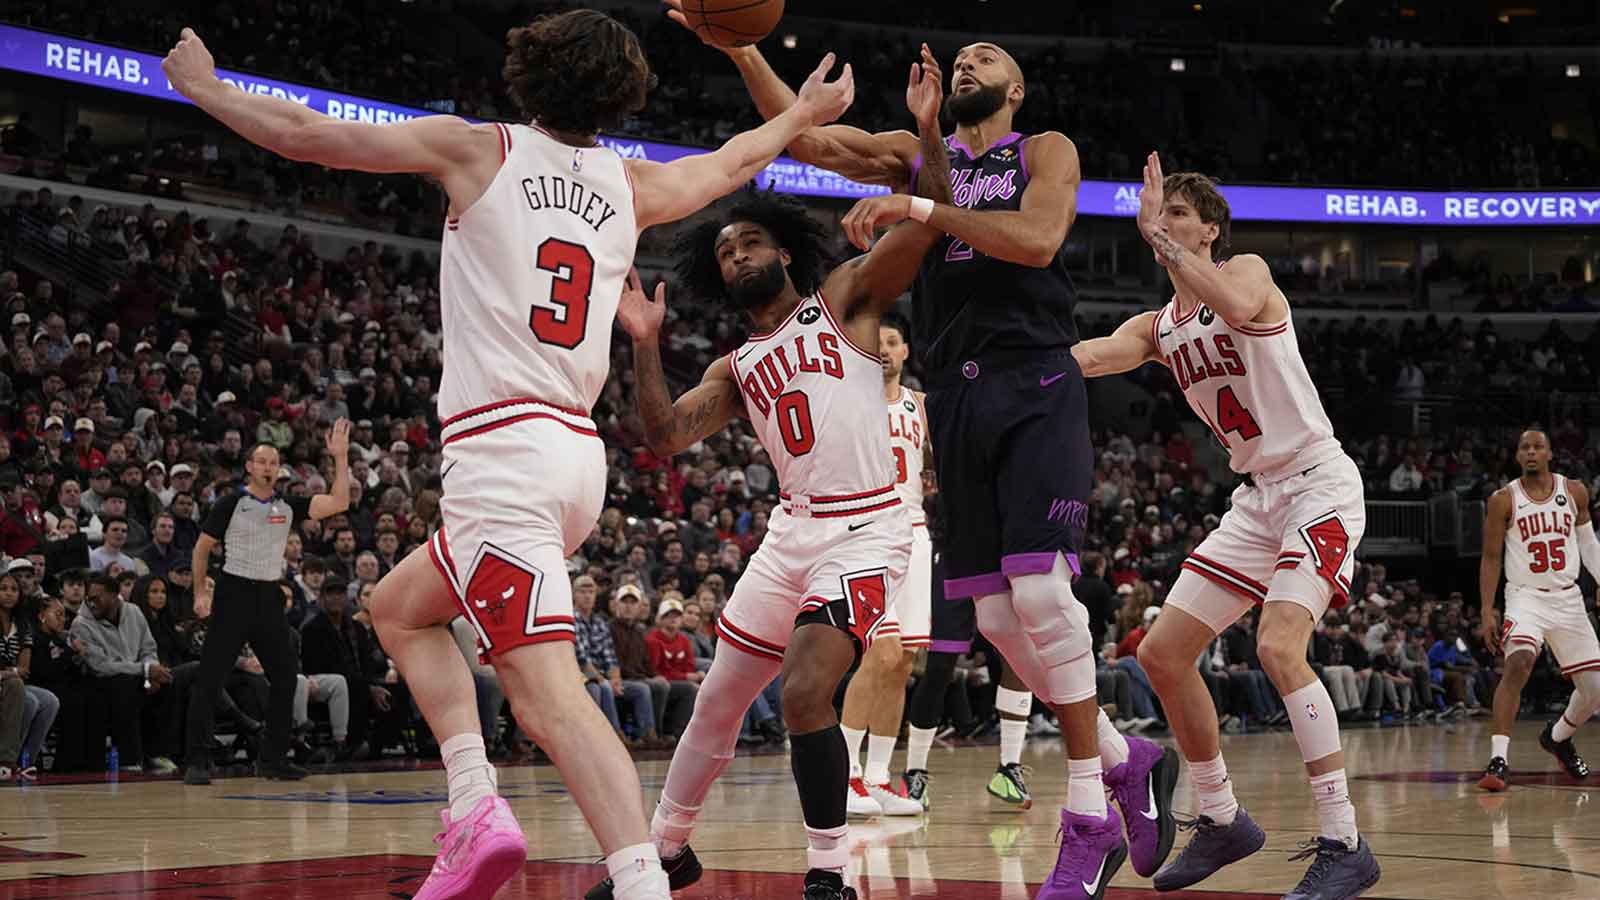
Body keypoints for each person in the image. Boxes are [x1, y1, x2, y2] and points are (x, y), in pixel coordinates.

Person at [161, 10, 855, 898]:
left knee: (546, 697)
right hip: (574, 455)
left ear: (531, 72)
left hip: (503, 454)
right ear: (621, 90)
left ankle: (639, 882)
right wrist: (801, 115)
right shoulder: (628, 181)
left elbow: (308, 136)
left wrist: (207, 87)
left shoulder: (477, 149)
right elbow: (732, 163)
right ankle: (473, 800)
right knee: (399, 607)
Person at [688, 19, 1178, 894]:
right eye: (961, 56)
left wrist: (916, 205)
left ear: (1016, 89)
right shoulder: (920, 151)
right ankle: (1124, 755)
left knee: (1037, 594)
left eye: (990, 55)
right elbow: (802, 135)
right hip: (958, 394)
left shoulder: (1044, 148)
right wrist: (736, 43)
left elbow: (1033, 242)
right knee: (993, 623)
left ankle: (1087, 815)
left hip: (1035, 374)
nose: (969, 62)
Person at [589, 51, 947, 900]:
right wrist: (643, 343)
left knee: (807, 690)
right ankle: (666, 851)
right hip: (791, 532)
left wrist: (927, 129)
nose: (734, 251)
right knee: (717, 701)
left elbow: (934, 221)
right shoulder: (737, 363)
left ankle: (830, 875)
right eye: (721, 248)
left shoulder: (848, 301)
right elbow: (665, 436)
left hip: (867, 528)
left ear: (785, 251)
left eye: (748, 238)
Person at [1070, 158, 1380, 899]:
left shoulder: (1248, 271)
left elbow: (1239, 309)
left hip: (1317, 483)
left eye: (1180, 214)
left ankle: (1345, 841)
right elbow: (1088, 357)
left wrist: (1169, 247)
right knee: (1163, 653)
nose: (1166, 223)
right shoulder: (1159, 325)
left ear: (1209, 228)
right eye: (1161, 214)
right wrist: (1000, 361)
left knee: (1278, 644)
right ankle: (1221, 816)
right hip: (1258, 499)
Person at [180, 424, 352, 785]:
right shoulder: (230, 503)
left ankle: (271, 759)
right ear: (249, 466)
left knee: (286, 678)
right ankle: (196, 760)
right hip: (232, 593)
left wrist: (339, 456)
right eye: (261, 461)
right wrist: (200, 593)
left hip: (269, 596)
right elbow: (201, 549)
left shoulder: (288, 505)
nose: (268, 467)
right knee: (210, 679)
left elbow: (340, 502)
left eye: (274, 462)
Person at [838, 313, 929, 818]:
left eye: (892, 342)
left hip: (915, 533)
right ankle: (845, 773)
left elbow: (936, 465)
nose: (885, 351)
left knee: (904, 663)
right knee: (881, 653)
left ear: (905, 351)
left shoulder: (921, 406)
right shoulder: (851, 401)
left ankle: (877, 778)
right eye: (877, 344)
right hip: (870, 533)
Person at [1477, 429, 1600, 791]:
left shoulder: (1574, 490)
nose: (1531, 452)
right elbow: (1490, 557)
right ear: (1517, 456)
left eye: (1538, 447)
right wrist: (1487, 609)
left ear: (1549, 453)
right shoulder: (1504, 499)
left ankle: (1558, 737)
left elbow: (1589, 544)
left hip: (1567, 597)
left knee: (1595, 690)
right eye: (1525, 448)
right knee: (1518, 662)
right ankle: (1498, 759)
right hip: (1525, 597)